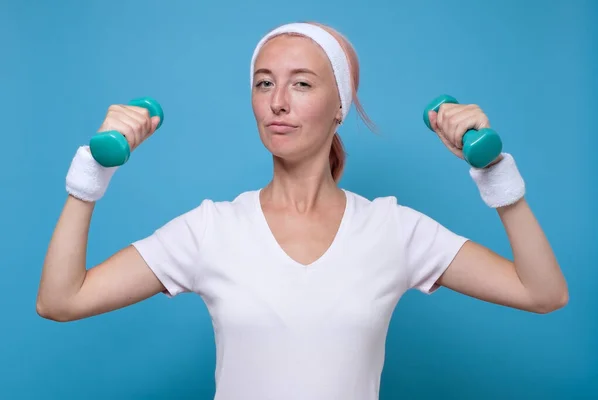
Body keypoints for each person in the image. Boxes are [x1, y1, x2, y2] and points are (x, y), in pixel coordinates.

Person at [37, 21, 568, 400]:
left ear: (341, 105)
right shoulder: (210, 229)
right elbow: (62, 300)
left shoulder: (393, 229)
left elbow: (542, 292)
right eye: (264, 82)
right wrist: (90, 174)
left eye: (302, 83)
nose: (278, 101)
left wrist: (498, 178)